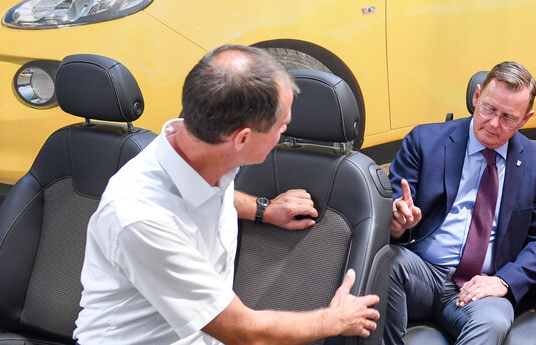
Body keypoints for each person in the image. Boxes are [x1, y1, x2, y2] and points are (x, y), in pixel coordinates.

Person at [74, 45, 380, 344]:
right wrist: (337, 319)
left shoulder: (195, 149)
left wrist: (264, 209)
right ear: (243, 138)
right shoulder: (140, 218)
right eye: (281, 124)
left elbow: (203, 196)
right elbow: (243, 331)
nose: (286, 129)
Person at [384, 61, 536, 345]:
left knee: (492, 322)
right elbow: (394, 207)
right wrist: (396, 223)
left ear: (525, 119)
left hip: (483, 285)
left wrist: (504, 281)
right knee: (386, 263)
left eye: (508, 117)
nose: (494, 124)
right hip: (422, 270)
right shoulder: (425, 141)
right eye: (490, 109)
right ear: (476, 96)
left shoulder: (535, 163)